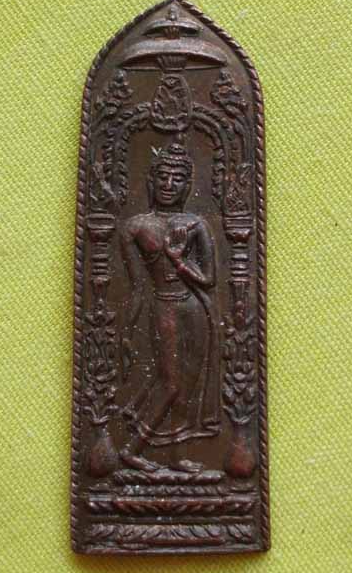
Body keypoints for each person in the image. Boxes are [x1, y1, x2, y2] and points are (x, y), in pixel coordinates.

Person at [119, 142, 220, 472]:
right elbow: (137, 287)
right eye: (163, 176)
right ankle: (131, 450)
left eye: (177, 178)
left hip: (195, 309)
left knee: (187, 385)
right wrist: (126, 332)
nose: (168, 184)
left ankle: (176, 456)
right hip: (164, 307)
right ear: (151, 180)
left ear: (187, 185)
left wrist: (178, 260)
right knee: (170, 383)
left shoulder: (195, 224)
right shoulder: (136, 226)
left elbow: (209, 278)